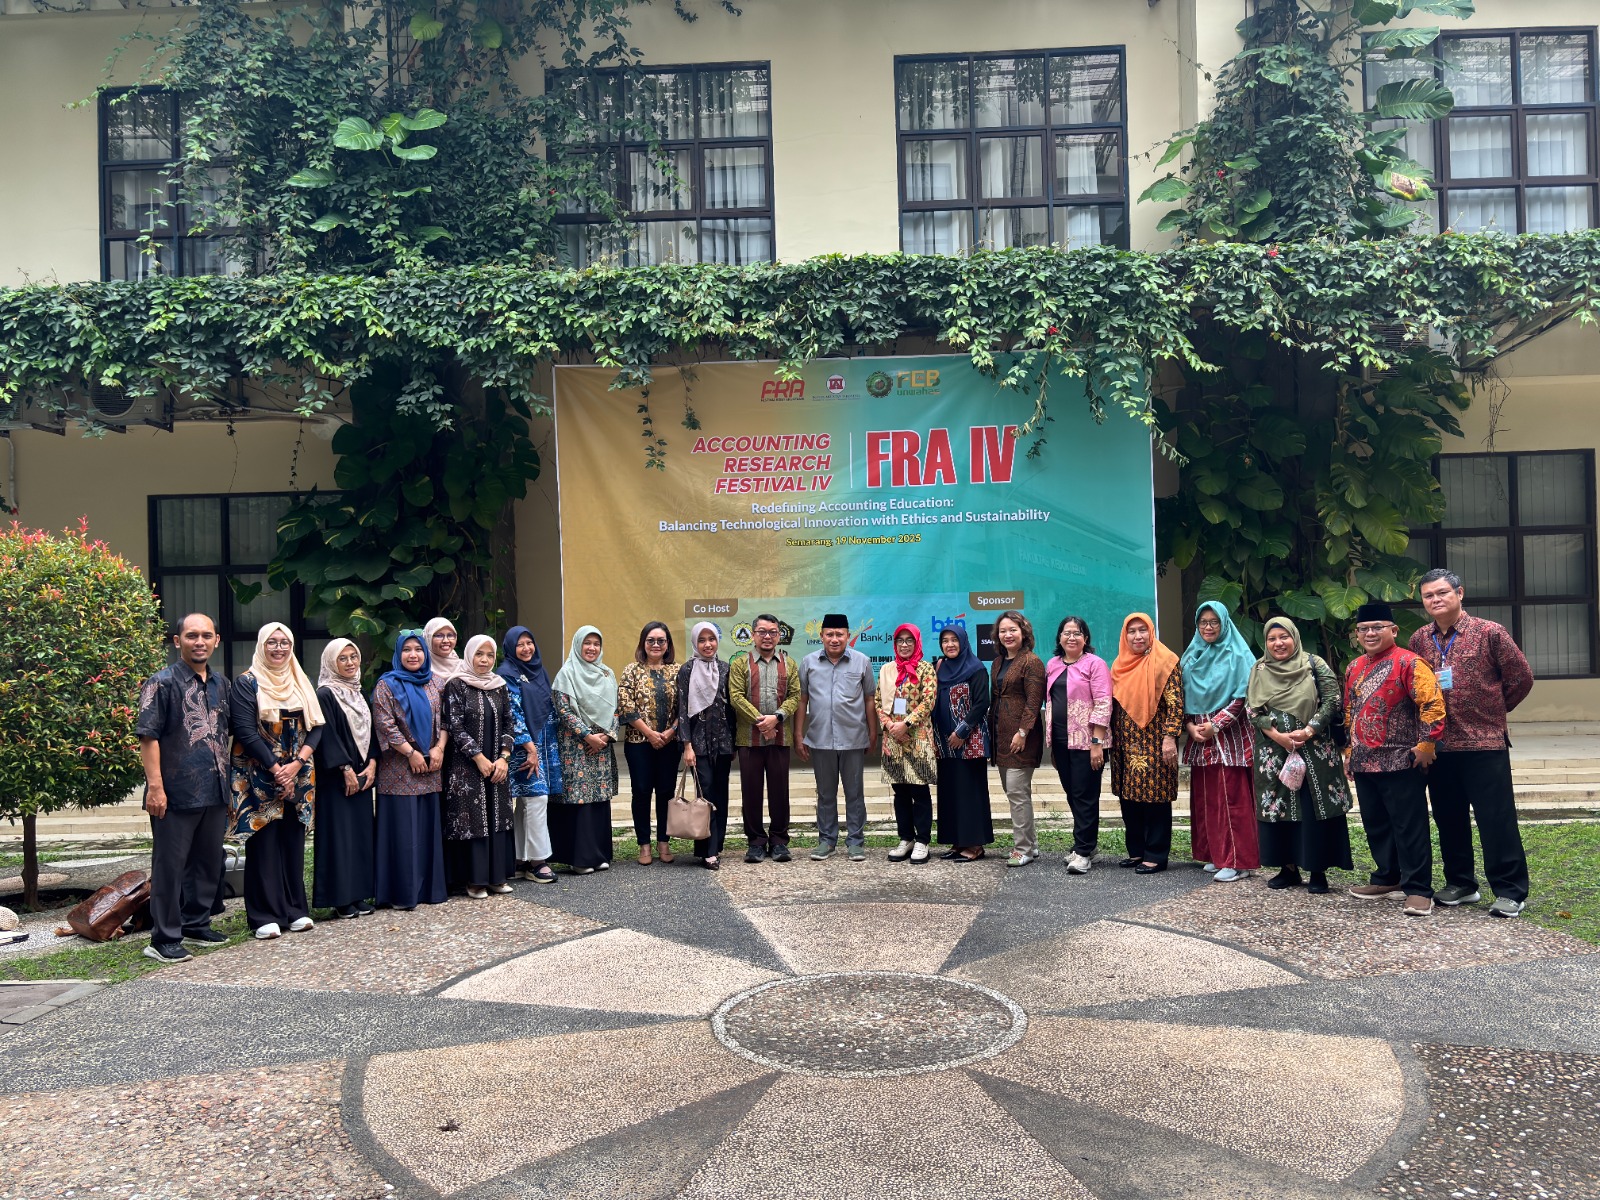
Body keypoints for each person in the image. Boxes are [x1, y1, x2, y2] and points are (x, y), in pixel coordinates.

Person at [1410, 568, 1535, 918]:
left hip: (1484, 743)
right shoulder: (1420, 639)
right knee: (1449, 818)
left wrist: (1493, 709)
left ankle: (1510, 890)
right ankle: (1461, 883)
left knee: (1496, 819)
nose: (1435, 600)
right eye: (1428, 596)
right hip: (1439, 746)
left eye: (1442, 593)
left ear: (1459, 593)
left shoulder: (1489, 632)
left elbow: (1521, 678)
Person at [136, 613, 233, 964]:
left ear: (216, 640)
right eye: (192, 635)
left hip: (214, 789)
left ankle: (196, 923)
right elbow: (148, 737)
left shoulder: (222, 684)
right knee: (170, 867)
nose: (199, 642)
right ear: (178, 641)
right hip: (175, 793)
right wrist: (155, 787)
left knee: (207, 862)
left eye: (206, 635)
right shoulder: (161, 683)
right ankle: (163, 938)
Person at [1344, 602, 1446, 916]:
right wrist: (1349, 752)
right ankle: (1388, 878)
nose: (1370, 633)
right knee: (1376, 825)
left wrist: (1426, 744)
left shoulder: (1410, 662)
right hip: (1364, 761)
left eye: (1377, 627)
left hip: (1401, 760)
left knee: (1409, 826)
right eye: (1364, 629)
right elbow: (1350, 711)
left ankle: (1418, 889)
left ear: (1393, 630)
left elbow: (1432, 703)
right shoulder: (1354, 667)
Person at [229, 623, 324, 939]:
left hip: (299, 771)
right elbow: (245, 730)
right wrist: (276, 769)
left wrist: (296, 765)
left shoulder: (300, 679)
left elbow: (317, 726)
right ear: (261, 645)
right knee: (264, 842)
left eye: (284, 642)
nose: (279, 648)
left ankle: (295, 910)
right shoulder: (246, 683)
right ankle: (263, 916)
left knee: (292, 841)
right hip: (259, 772)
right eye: (272, 642)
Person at [1247, 617, 1352, 894]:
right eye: (1272, 639)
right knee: (1280, 806)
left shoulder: (1314, 664)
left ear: (1294, 637)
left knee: (1313, 807)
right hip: (1274, 752)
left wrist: (1309, 730)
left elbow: (1332, 700)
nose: (1278, 643)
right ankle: (1288, 869)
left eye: (1284, 637)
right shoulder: (1259, 668)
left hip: (1315, 750)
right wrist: (1278, 736)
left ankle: (1318, 871)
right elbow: (1252, 709)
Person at [1179, 603, 1261, 882]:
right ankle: (1218, 854)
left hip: (1229, 740)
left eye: (1214, 621)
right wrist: (1190, 725)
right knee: (1209, 799)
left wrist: (1215, 725)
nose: (1208, 627)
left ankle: (1239, 861)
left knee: (1232, 799)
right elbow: (1182, 695)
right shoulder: (1191, 655)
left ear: (1224, 623)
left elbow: (1243, 696)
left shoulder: (1238, 654)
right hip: (1200, 738)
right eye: (1203, 622)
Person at [371, 630, 449, 910]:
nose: (413, 655)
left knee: (428, 830)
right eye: (407, 650)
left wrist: (439, 748)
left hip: (432, 765)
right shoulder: (386, 684)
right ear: (398, 654)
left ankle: (430, 890)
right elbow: (385, 724)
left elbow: (446, 720)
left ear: (425, 653)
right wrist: (411, 753)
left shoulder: (437, 682)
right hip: (398, 769)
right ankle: (401, 894)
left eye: (418, 649)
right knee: (403, 833)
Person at [796, 613, 878, 861]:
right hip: (820, 739)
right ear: (821, 636)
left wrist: (873, 732)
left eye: (839, 634)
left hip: (853, 738)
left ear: (848, 636)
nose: (834, 639)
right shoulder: (808, 662)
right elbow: (802, 700)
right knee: (825, 794)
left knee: (855, 793)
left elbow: (869, 699)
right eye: (829, 634)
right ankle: (826, 841)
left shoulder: (862, 661)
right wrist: (798, 733)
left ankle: (855, 842)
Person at [442, 635, 517, 898]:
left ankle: (496, 877)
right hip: (466, 766)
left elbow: (509, 722)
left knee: (497, 816)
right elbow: (454, 725)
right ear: (469, 655)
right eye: (479, 654)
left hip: (497, 765)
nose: (484, 660)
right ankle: (475, 880)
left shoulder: (499, 685)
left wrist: (504, 757)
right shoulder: (456, 684)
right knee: (473, 820)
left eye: (489, 655)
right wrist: (479, 757)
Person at [1109, 613, 1183, 874]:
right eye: (1132, 631)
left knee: (1155, 798)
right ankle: (1137, 851)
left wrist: (1170, 737)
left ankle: (1156, 854)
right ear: (1125, 635)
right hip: (1124, 744)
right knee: (1129, 799)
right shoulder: (1119, 665)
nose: (1137, 636)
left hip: (1155, 742)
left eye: (1143, 630)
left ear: (1151, 632)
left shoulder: (1166, 661)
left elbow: (1176, 704)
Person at [312, 639, 377, 919]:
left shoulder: (358, 692)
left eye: (353, 657)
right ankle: (340, 899)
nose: (350, 663)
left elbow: (371, 729)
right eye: (343, 658)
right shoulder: (325, 693)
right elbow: (326, 734)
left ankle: (358, 894)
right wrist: (344, 768)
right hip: (337, 778)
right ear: (331, 662)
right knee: (338, 837)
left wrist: (372, 762)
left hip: (362, 773)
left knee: (359, 836)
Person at [729, 613, 801, 864]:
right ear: (753, 635)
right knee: (751, 792)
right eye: (762, 632)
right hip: (749, 739)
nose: (767, 636)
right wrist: (762, 722)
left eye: (772, 632)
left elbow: (795, 696)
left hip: (780, 738)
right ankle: (756, 842)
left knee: (780, 791)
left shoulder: (789, 664)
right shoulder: (740, 663)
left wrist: (776, 718)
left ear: (779, 635)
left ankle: (779, 841)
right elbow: (736, 696)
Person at [549, 625, 619, 875]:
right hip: (575, 747)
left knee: (599, 799)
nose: (591, 648)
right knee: (579, 800)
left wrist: (606, 736)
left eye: (596, 644)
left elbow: (616, 709)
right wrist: (587, 736)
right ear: (578, 645)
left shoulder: (607, 673)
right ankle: (579, 858)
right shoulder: (566, 673)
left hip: (601, 747)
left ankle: (599, 854)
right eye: (587, 643)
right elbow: (563, 710)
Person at [1045, 615, 1111, 875]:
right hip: (1061, 742)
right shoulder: (1052, 664)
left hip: (1087, 743)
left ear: (1085, 638)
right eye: (1066, 633)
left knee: (1085, 795)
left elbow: (1104, 703)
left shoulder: (1095, 664)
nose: (1071, 637)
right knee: (1072, 794)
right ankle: (1085, 844)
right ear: (1059, 637)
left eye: (1077, 633)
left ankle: (1083, 852)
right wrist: (1052, 745)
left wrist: (1097, 743)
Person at [498, 626, 560, 885]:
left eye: (529, 643)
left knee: (527, 802)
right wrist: (530, 748)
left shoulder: (539, 670)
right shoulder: (507, 673)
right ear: (510, 648)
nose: (526, 648)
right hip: (521, 747)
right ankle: (537, 861)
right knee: (536, 799)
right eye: (520, 644)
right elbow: (513, 713)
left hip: (542, 743)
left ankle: (519, 859)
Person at [619, 621, 681, 866]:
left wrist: (671, 731)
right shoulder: (631, 670)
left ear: (668, 645)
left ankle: (664, 842)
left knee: (666, 792)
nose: (656, 645)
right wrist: (650, 734)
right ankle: (644, 844)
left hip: (670, 742)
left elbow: (686, 706)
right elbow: (626, 706)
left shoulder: (678, 670)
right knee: (642, 792)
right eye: (651, 640)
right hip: (638, 743)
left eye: (661, 640)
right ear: (643, 643)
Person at [876, 623, 939, 864]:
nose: (904, 645)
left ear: (917, 642)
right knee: (899, 792)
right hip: (892, 739)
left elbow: (928, 701)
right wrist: (890, 725)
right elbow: (877, 701)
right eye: (900, 640)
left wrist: (906, 724)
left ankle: (922, 841)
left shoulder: (925, 669)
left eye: (909, 640)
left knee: (919, 790)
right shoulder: (887, 669)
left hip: (918, 738)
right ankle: (906, 838)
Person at [989, 610, 1046, 868]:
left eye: (1013, 629)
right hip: (1001, 736)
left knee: (1016, 792)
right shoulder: (998, 662)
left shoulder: (1032, 662)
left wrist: (1022, 732)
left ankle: (1022, 849)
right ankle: (1030, 845)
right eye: (1003, 631)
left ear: (1024, 632)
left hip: (1022, 738)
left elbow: (1034, 703)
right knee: (1016, 793)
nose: (1007, 635)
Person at [676, 622, 734, 869]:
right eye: (702, 640)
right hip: (698, 743)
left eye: (711, 639)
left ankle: (716, 846)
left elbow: (731, 708)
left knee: (721, 793)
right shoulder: (687, 669)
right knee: (705, 793)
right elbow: (682, 710)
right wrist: (687, 746)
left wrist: (734, 744)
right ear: (695, 643)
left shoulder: (725, 668)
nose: (708, 644)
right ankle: (707, 850)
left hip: (723, 742)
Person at [933, 626, 993, 862]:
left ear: (963, 642)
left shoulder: (976, 668)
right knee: (951, 793)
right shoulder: (940, 668)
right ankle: (958, 842)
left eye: (954, 640)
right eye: (945, 641)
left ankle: (974, 844)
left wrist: (962, 731)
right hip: (944, 743)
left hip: (968, 743)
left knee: (970, 793)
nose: (949, 645)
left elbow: (982, 703)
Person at [425, 616, 467, 685]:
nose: (446, 640)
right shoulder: (421, 668)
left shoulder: (464, 667)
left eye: (450, 635)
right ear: (428, 638)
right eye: (439, 636)